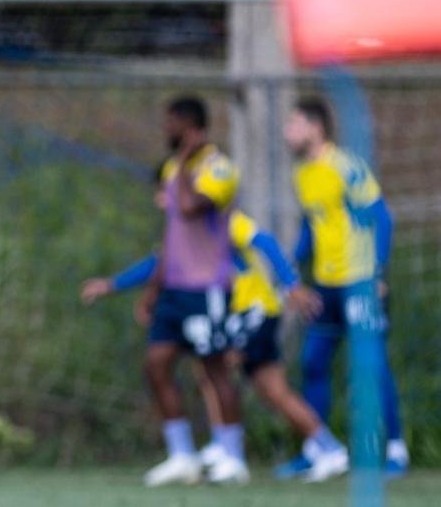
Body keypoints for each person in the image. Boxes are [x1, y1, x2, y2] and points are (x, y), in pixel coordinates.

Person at [83, 191, 349, 483]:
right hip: (240, 311)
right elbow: (159, 264)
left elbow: (265, 242)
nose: (161, 199)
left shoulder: (223, 221)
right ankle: (325, 448)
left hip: (252, 309)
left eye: (167, 191)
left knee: (221, 368)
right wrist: (114, 284)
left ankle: (231, 450)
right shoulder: (186, 233)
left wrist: (291, 284)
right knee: (263, 386)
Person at [280, 97, 407, 479]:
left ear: (316, 127)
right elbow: (312, 227)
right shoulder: (302, 173)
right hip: (326, 285)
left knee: (371, 366)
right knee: (312, 362)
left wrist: (377, 274)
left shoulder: (345, 166)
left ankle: (396, 449)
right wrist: (290, 265)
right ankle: (318, 449)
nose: (287, 132)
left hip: (359, 281)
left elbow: (381, 218)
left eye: (294, 124)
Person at [133, 96, 244, 486]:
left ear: (190, 126)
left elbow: (189, 206)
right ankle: (182, 455)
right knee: (156, 364)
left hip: (206, 287)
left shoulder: (218, 168)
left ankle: (232, 456)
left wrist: (183, 163)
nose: (166, 130)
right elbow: (173, 234)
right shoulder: (174, 168)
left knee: (214, 370)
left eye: (171, 123)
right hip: (174, 289)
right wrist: (152, 290)